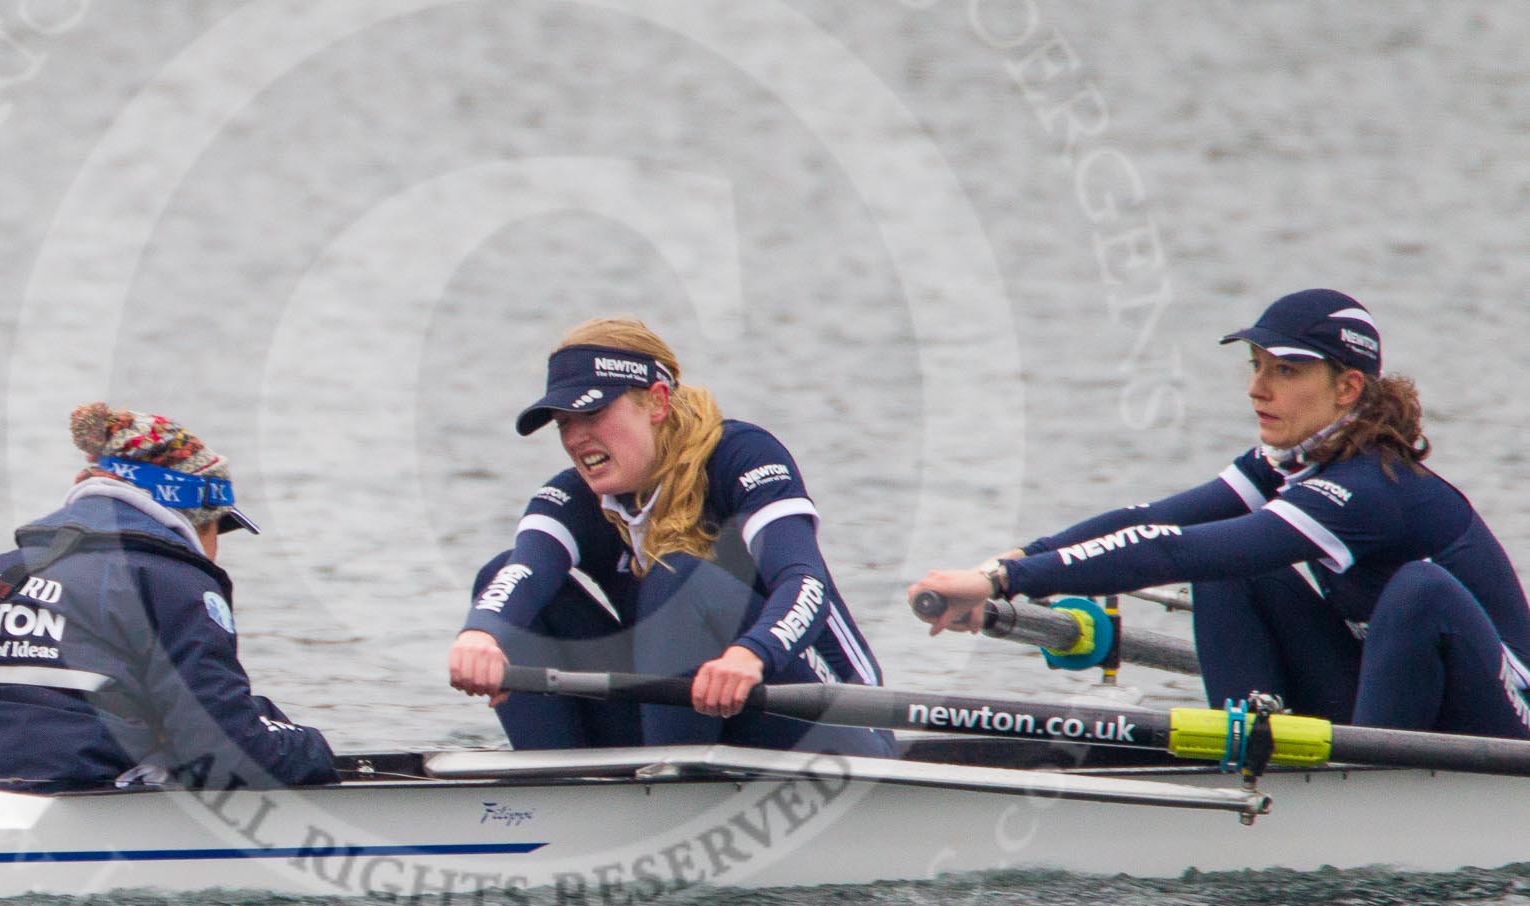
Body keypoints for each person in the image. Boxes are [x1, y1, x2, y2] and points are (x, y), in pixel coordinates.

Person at [908, 289, 1530, 738]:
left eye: (1286, 370)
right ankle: (1250, 745)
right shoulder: (1291, 463)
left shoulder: (1372, 486)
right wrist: (1008, 564)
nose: (1259, 388)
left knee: (1416, 588)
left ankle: (1361, 791)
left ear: (1348, 389)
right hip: (1400, 698)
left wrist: (1002, 586)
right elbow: (1154, 520)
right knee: (1229, 564)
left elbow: (1173, 552)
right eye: (1257, 367)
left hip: (1501, 719)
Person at [448, 318, 892, 757]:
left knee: (679, 578)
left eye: (592, 413)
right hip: (692, 715)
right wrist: (481, 635)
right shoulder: (572, 498)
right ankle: (556, 799)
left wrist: (750, 653)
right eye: (564, 422)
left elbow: (804, 580)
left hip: (835, 720)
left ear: (657, 403)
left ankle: (662, 790)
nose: (576, 437)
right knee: (498, 578)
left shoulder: (743, 458)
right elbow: (524, 570)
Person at [0, 404, 338, 789]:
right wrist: (312, 748)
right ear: (190, 513)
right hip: (84, 799)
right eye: (220, 528)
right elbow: (226, 751)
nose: (216, 548)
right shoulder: (169, 581)